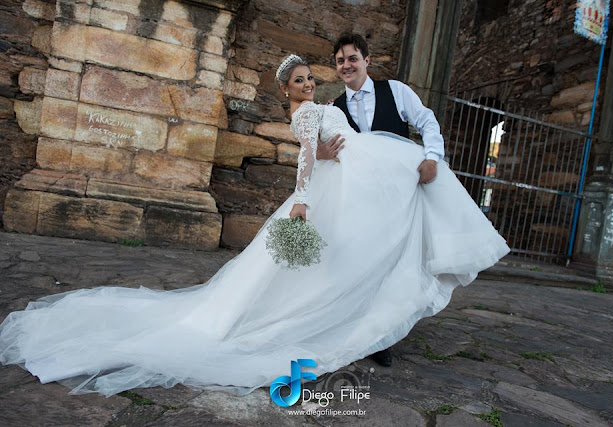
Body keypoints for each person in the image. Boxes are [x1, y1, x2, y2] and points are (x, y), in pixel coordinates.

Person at [0, 55, 509, 399]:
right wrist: (302, 201)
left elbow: (323, 151)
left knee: (379, 234)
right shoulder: (307, 114)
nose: (309, 85)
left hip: (354, 177)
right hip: (334, 187)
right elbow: (305, 158)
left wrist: (331, 156)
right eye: (299, 81)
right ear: (285, 89)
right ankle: (343, 317)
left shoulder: (328, 106)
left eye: (311, 78)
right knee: (336, 260)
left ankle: (375, 315)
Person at [318, 32, 447, 367]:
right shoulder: (334, 109)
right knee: (361, 259)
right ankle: (354, 325)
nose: (346, 65)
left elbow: (426, 121)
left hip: (398, 193)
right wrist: (322, 152)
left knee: (393, 261)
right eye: (340, 61)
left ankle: (381, 336)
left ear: (367, 60)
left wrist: (432, 157)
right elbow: (321, 153)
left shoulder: (396, 91)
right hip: (359, 196)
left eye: (352, 58)